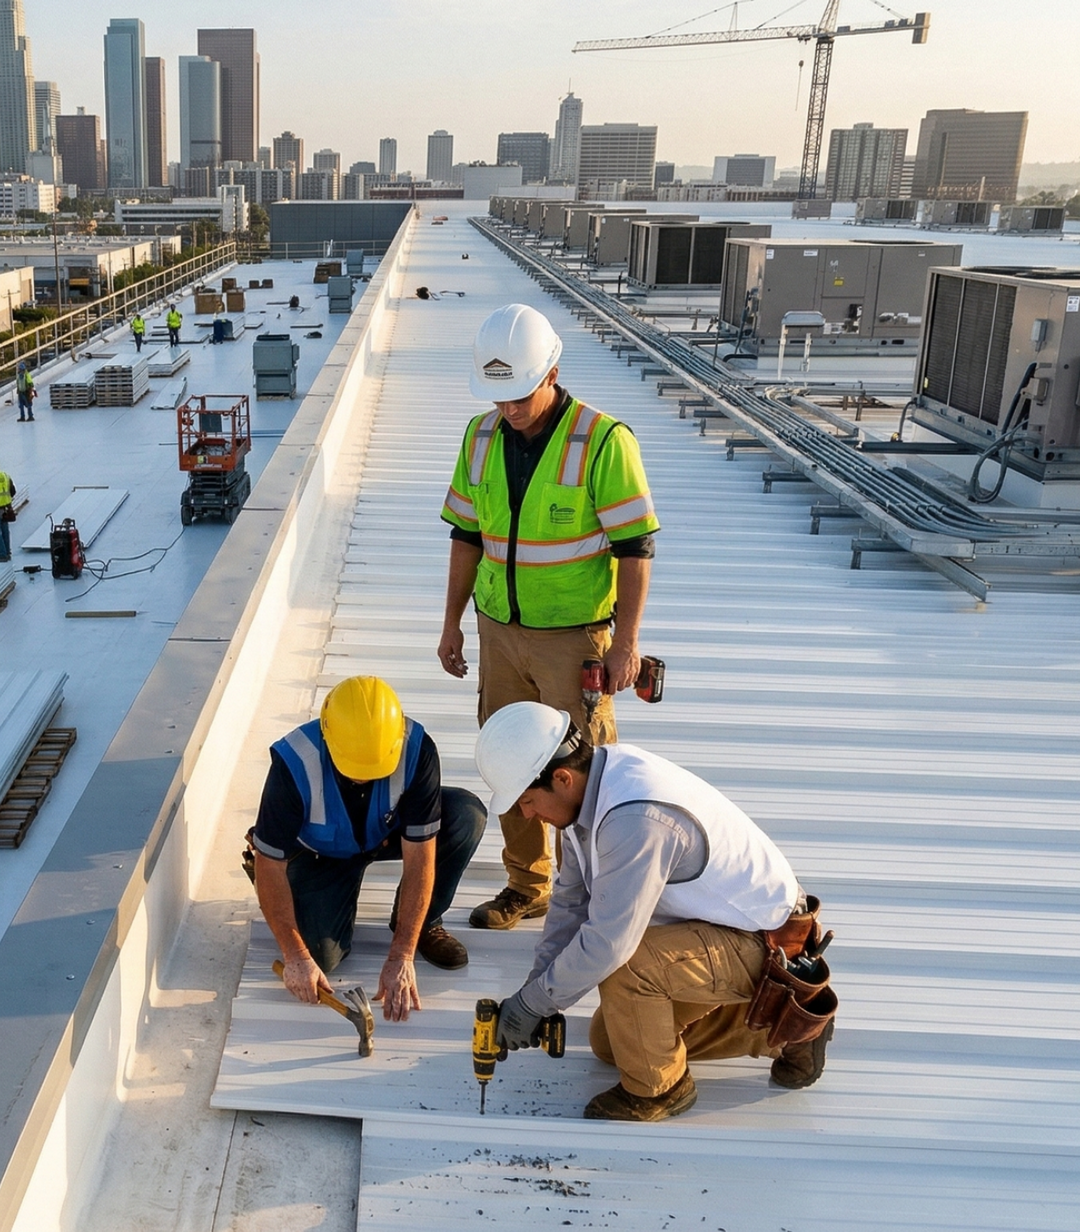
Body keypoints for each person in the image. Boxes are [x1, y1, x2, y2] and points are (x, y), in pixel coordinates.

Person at [475, 701, 831, 1122]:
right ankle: (785, 1032)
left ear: (562, 777)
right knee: (614, 1042)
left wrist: (533, 1004)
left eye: (528, 802)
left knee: (627, 968)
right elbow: (570, 904)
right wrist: (534, 992)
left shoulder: (635, 818)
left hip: (768, 941)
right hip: (719, 928)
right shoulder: (589, 795)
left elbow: (609, 943)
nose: (527, 814)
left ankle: (660, 1090)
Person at [439, 303, 660, 932]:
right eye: (497, 395)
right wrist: (451, 622)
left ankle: (588, 892)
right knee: (509, 754)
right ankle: (527, 885)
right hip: (499, 631)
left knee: (583, 768)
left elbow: (636, 547)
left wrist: (627, 643)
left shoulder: (603, 442)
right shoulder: (479, 437)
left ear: (553, 372)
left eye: (519, 393)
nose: (508, 408)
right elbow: (465, 536)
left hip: (575, 638)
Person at [248, 676, 485, 1024]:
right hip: (319, 853)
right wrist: (295, 956)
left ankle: (423, 921)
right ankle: (308, 898)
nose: (363, 779)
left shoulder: (416, 750)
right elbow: (269, 865)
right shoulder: (294, 762)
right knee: (319, 957)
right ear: (328, 737)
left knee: (466, 815)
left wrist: (402, 954)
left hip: (386, 833)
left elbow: (421, 857)